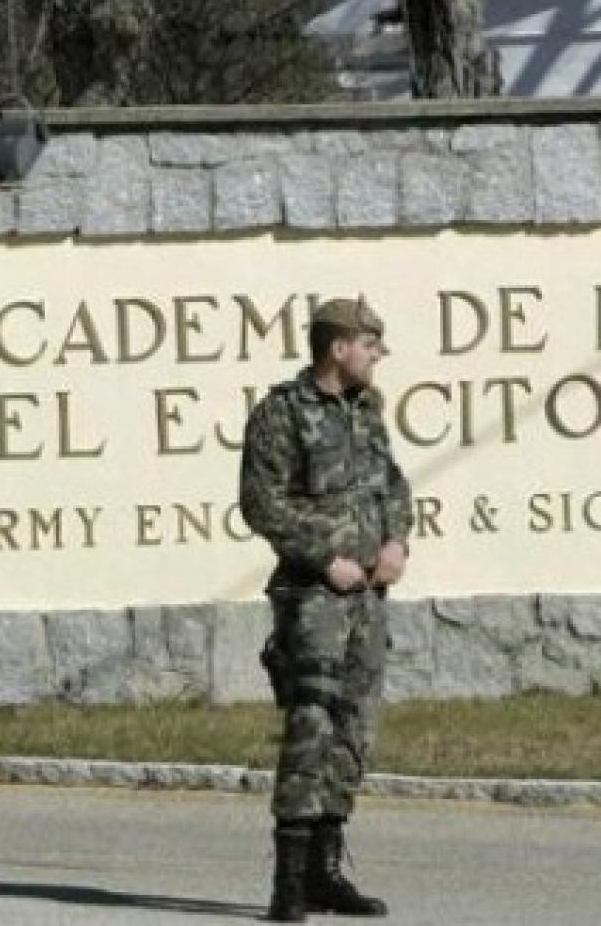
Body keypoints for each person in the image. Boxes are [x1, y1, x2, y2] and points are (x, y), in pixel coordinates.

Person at [239, 296, 414, 922]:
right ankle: (288, 883)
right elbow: (262, 503)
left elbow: (392, 485)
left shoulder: (369, 414)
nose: (377, 357)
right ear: (338, 348)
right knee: (310, 729)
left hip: (368, 596)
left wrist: (397, 541)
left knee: (354, 730)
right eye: (370, 346)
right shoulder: (281, 414)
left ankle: (325, 872)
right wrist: (323, 556)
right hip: (313, 599)